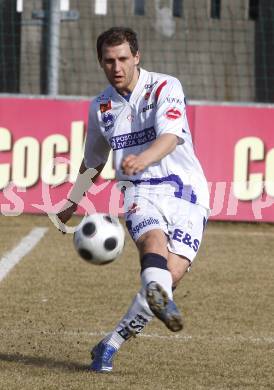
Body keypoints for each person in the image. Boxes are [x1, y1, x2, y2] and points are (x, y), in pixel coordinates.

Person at [57, 27, 210, 373]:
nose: (117, 66)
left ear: (136, 57)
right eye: (109, 61)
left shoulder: (165, 87)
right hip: (139, 190)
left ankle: (109, 344)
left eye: (123, 58)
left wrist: (144, 158)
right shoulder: (101, 108)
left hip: (187, 191)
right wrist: (72, 201)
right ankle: (152, 299)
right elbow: (93, 162)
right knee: (152, 243)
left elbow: (171, 137)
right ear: (100, 63)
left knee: (168, 276)